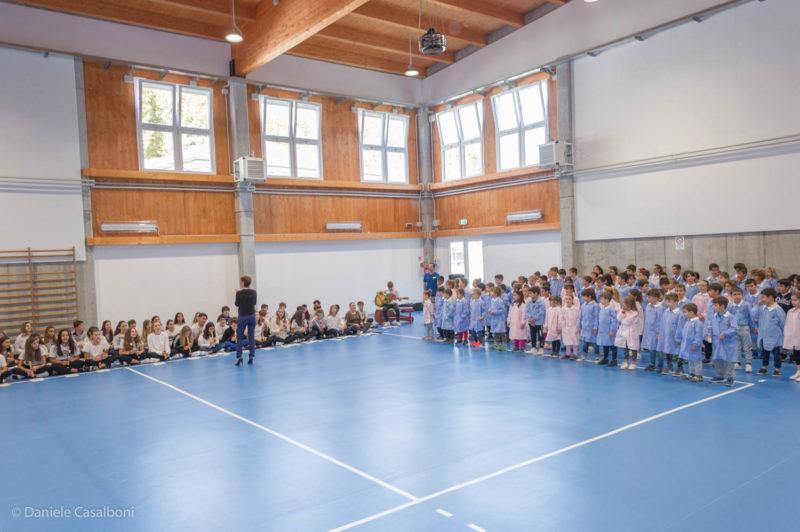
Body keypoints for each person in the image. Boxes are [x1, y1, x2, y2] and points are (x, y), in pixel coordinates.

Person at [756, 288, 786, 376]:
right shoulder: (762, 308)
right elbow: (753, 314)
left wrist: (784, 335)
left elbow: (783, 323)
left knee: (776, 353)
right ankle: (764, 367)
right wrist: (757, 306)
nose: (761, 299)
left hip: (775, 337)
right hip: (764, 336)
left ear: (771, 298)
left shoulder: (778, 309)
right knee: (765, 352)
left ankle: (777, 368)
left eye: (763, 297)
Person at [709, 296, 738, 387]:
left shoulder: (731, 317)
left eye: (716, 305)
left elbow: (734, 329)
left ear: (722, 306)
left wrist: (725, 333)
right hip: (716, 342)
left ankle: (730, 377)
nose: (714, 307)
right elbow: (710, 326)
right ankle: (719, 375)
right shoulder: (714, 316)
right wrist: (708, 335)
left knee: (729, 361)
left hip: (728, 343)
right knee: (717, 359)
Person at [728, 287, 754, 373]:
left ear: (742, 295)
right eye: (734, 294)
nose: (737, 296)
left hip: (744, 327)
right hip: (734, 328)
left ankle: (748, 363)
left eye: (739, 294)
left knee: (747, 346)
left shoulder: (747, 305)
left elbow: (751, 316)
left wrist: (753, 327)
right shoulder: (730, 306)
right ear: (731, 296)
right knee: (736, 346)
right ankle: (737, 362)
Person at [677, 303, 704, 382]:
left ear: (691, 312)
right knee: (690, 360)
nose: (684, 314)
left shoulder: (697, 323)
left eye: (685, 312)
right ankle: (692, 373)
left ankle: (698, 375)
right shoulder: (688, 321)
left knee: (696, 360)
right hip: (688, 345)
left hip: (694, 346)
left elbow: (698, 334)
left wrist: (695, 344)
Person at [234, 275, 258, 366]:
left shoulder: (239, 293)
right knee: (251, 337)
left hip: (243, 316)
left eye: (241, 282)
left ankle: (239, 357)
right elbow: (254, 303)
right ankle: (251, 356)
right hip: (252, 316)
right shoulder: (254, 292)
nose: (240, 283)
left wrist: (237, 293)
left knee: (239, 337)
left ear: (243, 282)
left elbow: (237, 304)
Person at [615, 296, 641, 370]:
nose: (624, 305)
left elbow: (627, 322)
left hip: (632, 333)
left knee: (633, 348)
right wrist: (623, 312)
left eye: (625, 303)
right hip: (625, 332)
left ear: (630, 304)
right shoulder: (623, 310)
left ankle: (633, 362)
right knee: (626, 347)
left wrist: (623, 319)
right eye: (624, 303)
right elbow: (618, 318)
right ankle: (625, 361)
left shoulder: (635, 313)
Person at [642, 289, 664, 371]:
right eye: (648, 297)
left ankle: (660, 365)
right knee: (651, 348)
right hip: (649, 331)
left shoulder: (660, 308)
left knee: (659, 350)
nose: (648, 299)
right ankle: (652, 364)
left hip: (657, 332)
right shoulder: (648, 306)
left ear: (656, 298)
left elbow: (661, 321)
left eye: (650, 297)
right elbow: (646, 318)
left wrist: (659, 333)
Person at [595, 292, 619, 366]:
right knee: (605, 344)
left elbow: (614, 320)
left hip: (609, 331)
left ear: (607, 300)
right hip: (603, 330)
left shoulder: (611, 309)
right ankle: (605, 358)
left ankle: (614, 359)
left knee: (612, 345)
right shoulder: (602, 308)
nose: (600, 300)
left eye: (601, 299)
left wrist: (612, 330)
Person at [579, 289, 599, 361]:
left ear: (589, 296)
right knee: (585, 342)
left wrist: (595, 327)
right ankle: (584, 355)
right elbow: (581, 316)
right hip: (585, 327)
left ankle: (597, 355)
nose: (583, 298)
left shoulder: (595, 305)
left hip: (592, 327)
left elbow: (596, 317)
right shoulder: (583, 305)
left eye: (584, 296)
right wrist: (580, 325)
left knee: (594, 342)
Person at [784, 292, 800, 382]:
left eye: (795, 300)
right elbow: (787, 324)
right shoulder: (790, 311)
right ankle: (798, 371)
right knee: (796, 354)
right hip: (794, 337)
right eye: (792, 300)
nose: (793, 302)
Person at [488, 287, 509, 351]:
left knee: (502, 333)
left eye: (493, 292)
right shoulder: (492, 300)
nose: (491, 293)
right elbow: (491, 307)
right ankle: (496, 345)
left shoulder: (500, 300)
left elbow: (502, 310)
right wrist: (490, 310)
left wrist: (494, 312)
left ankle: (504, 346)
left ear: (496, 293)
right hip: (494, 319)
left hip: (500, 319)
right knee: (496, 332)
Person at [560, 294, 580, 360]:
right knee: (567, 340)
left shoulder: (576, 309)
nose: (568, 300)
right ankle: (568, 353)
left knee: (575, 340)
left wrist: (577, 326)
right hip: (566, 327)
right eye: (566, 299)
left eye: (569, 299)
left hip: (574, 327)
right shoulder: (563, 309)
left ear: (572, 300)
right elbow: (561, 318)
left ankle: (575, 354)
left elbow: (578, 318)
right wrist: (563, 326)